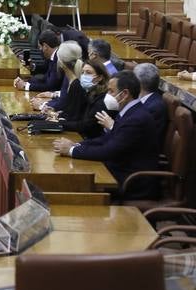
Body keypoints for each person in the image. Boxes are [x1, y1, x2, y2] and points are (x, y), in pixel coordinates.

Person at [52, 70, 159, 198]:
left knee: (73, 181)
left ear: (124, 94)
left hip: (132, 181)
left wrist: (71, 151)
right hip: (120, 169)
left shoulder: (137, 119)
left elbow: (108, 151)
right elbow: (105, 139)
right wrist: (77, 145)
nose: (107, 95)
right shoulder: (129, 112)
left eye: (111, 91)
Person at [56, 57, 112, 139]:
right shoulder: (90, 93)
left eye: (88, 73)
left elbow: (85, 125)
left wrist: (59, 123)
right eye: (82, 73)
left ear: (100, 77)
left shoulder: (102, 99)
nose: (84, 76)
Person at [43, 40, 86, 123]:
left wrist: (57, 118)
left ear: (61, 63)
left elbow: (74, 117)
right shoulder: (69, 79)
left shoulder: (75, 84)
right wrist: (54, 113)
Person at [134, 62, 168, 151]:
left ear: (138, 84)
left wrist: (112, 126)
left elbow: (138, 138)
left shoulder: (154, 108)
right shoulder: (140, 99)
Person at [14, 29, 62, 93]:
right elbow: (45, 68)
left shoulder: (59, 58)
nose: (40, 49)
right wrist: (32, 67)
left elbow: (50, 86)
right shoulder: (54, 55)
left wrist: (26, 86)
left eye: (40, 47)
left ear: (45, 46)